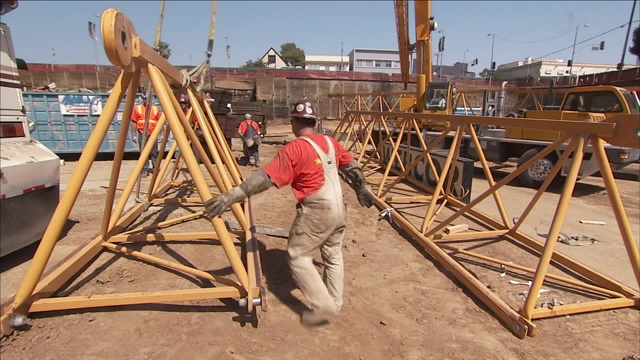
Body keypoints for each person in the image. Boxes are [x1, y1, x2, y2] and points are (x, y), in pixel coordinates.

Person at [204, 100, 376, 327]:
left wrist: (230, 197)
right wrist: (362, 189)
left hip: (317, 211)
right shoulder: (331, 142)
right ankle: (334, 302)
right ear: (314, 121)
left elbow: (264, 179)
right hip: (339, 209)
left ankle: (323, 307)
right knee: (333, 255)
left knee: (298, 256)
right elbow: (352, 168)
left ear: (294, 122)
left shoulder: (294, 149)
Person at [131, 92, 162, 177]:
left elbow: (160, 122)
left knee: (154, 152)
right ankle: (145, 169)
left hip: (153, 133)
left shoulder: (155, 109)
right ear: (142, 99)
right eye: (145, 99)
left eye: (148, 99)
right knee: (143, 152)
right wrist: (133, 134)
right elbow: (134, 122)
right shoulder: (137, 108)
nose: (146, 100)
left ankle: (156, 169)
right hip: (142, 133)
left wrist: (161, 134)